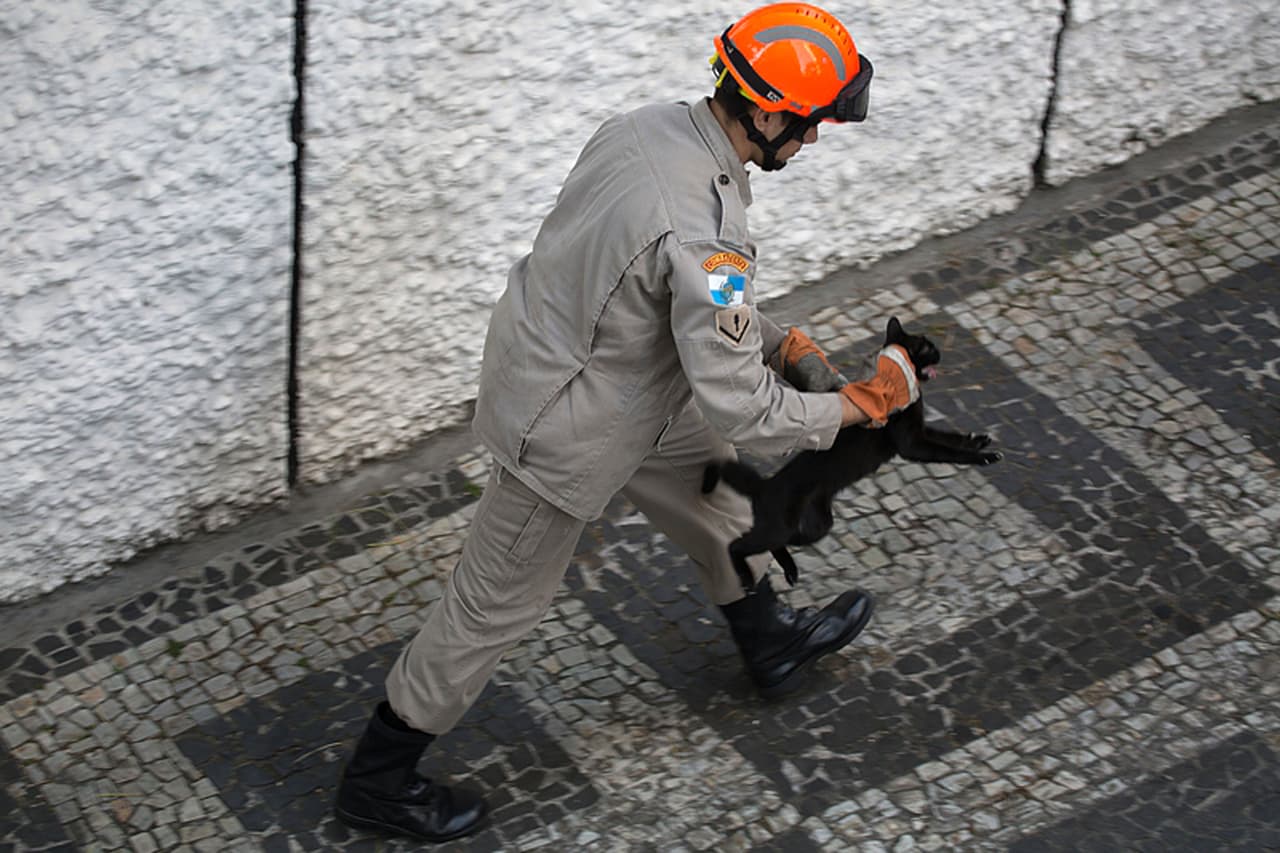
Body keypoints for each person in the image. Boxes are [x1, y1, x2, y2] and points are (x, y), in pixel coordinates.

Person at [334, 3, 918, 843]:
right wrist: (851, 408)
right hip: (566, 431)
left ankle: (769, 641)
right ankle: (377, 779)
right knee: (490, 606)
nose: (816, 137)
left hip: (598, 370)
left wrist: (779, 339)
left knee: (713, 485)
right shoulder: (707, 235)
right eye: (813, 120)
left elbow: (659, 289)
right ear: (766, 114)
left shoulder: (644, 127)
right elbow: (746, 403)